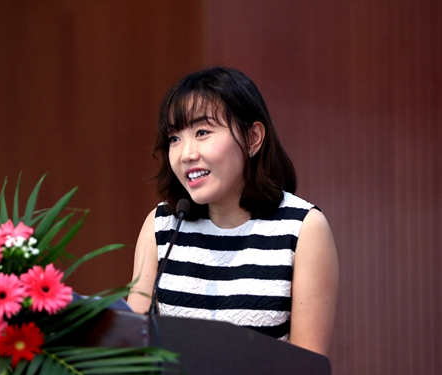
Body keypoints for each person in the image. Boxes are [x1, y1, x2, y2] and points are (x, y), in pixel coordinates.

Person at [128, 67, 338, 357]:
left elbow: (307, 371)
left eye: (202, 132)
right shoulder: (162, 226)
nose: (186, 154)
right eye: (174, 138)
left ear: (253, 138)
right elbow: (132, 352)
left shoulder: (302, 228)